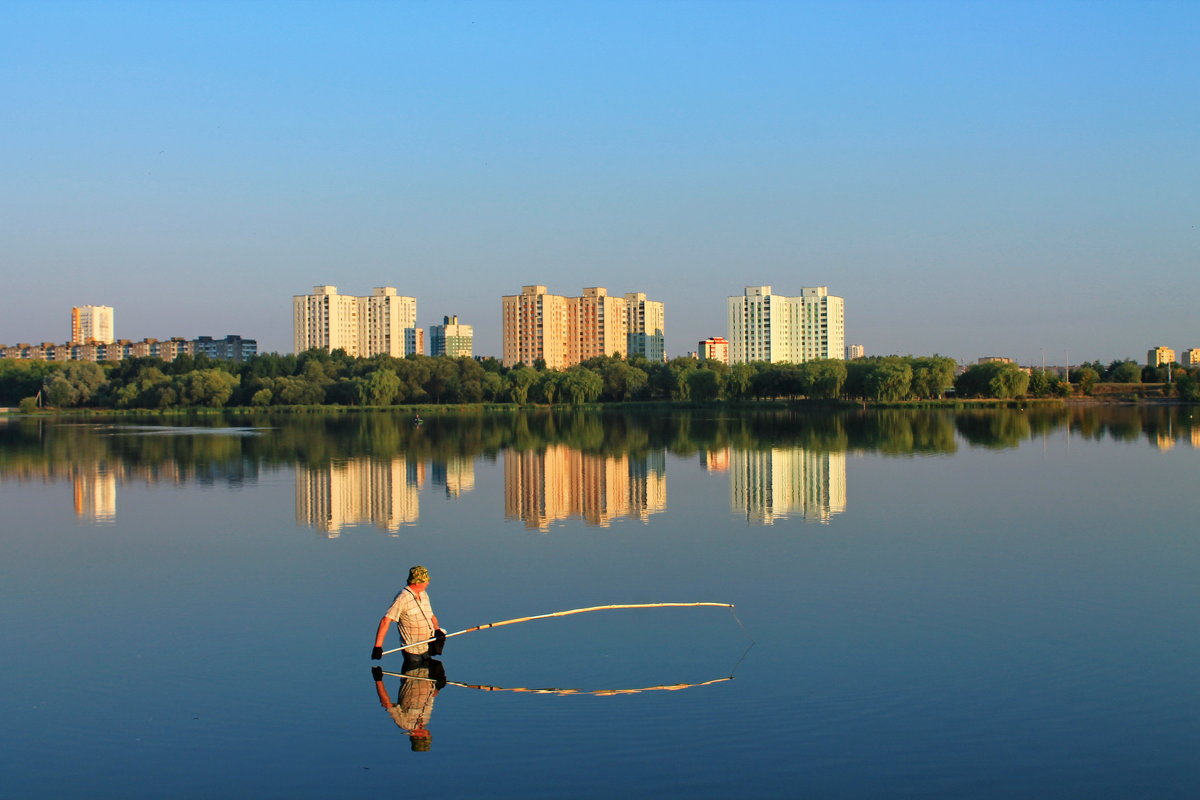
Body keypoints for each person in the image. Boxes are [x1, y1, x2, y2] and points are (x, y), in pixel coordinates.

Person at [371, 565, 445, 664]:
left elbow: (431, 616)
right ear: (417, 582)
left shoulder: (424, 594)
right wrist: (378, 647)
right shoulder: (403, 597)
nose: (428, 583)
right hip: (412, 651)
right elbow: (386, 620)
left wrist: (437, 629)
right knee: (414, 675)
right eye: (425, 581)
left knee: (429, 676)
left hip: (427, 646)